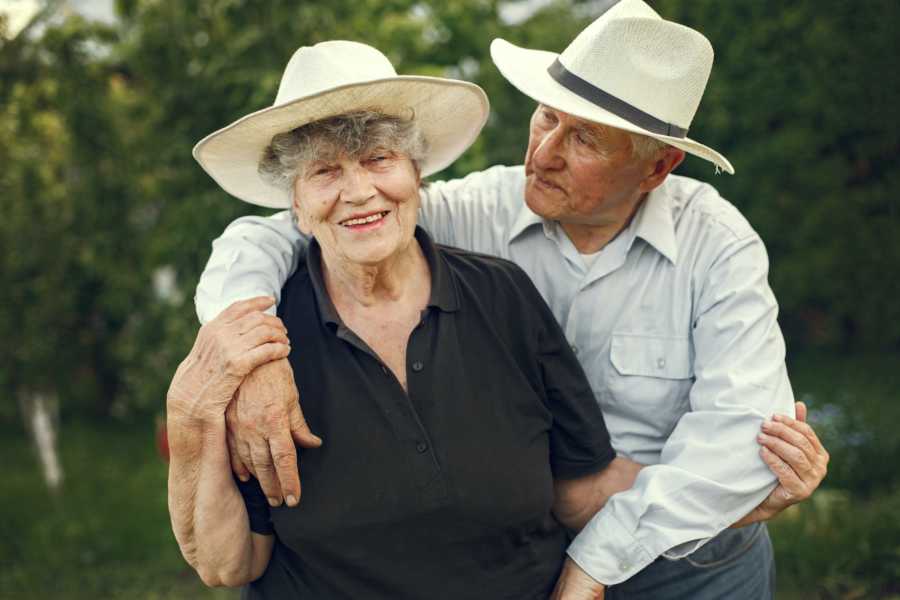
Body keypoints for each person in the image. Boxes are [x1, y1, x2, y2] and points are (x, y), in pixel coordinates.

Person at [193, 2, 830, 598]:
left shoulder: (715, 244)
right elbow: (276, 233)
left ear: (657, 167)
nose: (543, 154)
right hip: (545, 551)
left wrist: (608, 554)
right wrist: (250, 356)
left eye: (584, 139)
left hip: (692, 563)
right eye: (547, 115)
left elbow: (743, 444)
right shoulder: (477, 210)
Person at [169, 40, 633, 598]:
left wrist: (727, 490)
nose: (359, 191)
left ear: (417, 174)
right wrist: (192, 416)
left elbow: (579, 492)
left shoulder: (503, 294)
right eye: (324, 171)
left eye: (378, 159)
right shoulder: (265, 341)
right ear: (294, 203)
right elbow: (229, 564)